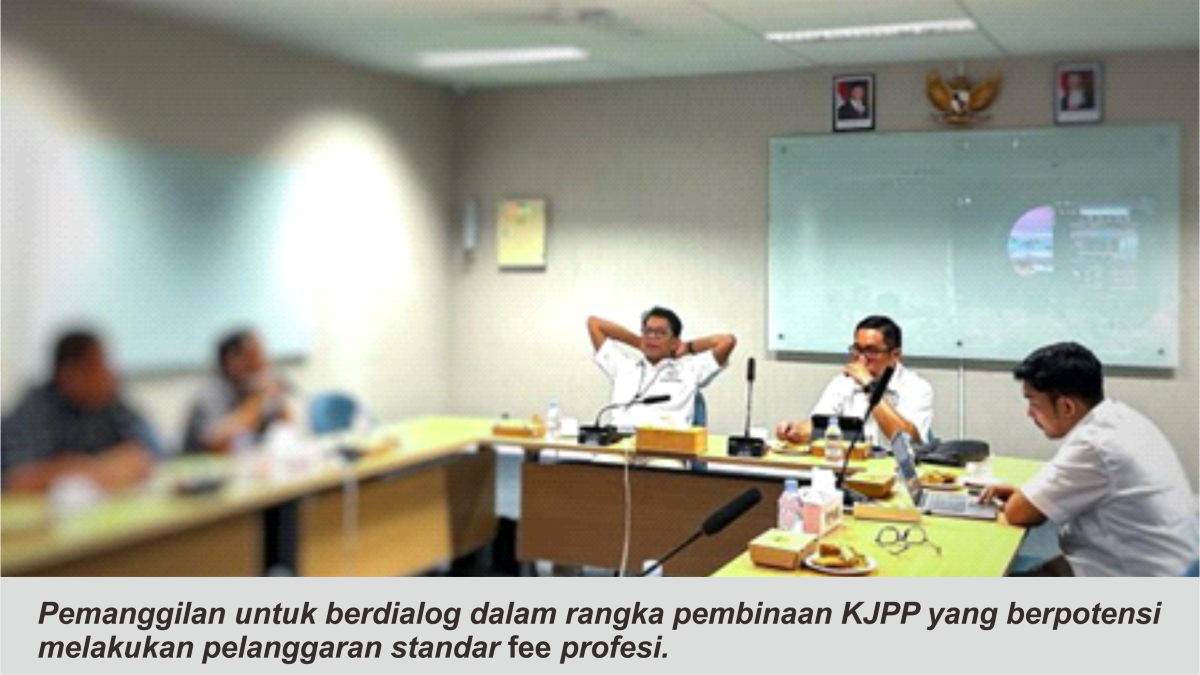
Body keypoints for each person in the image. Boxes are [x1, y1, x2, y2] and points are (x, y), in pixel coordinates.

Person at [980, 342, 1199, 576]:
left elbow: (1018, 514)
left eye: (1033, 403)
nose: (1029, 413)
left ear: (1066, 407)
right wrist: (1026, 495)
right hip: (1173, 567)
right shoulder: (1120, 418)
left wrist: (1024, 500)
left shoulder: (1094, 445)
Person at [0, 331, 159, 492]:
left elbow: (154, 450)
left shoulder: (110, 403)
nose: (108, 373)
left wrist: (121, 463)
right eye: (98, 365)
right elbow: (16, 479)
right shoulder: (36, 408)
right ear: (71, 374)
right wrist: (88, 469)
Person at [775, 315, 933, 447]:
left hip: (894, 469)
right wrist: (795, 430)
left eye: (871, 352)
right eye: (857, 350)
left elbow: (908, 440)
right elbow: (820, 426)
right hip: (848, 464)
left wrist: (869, 384)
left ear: (895, 355)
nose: (861, 360)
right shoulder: (842, 383)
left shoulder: (917, 387)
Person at [587, 308, 736, 428]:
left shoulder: (689, 370)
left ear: (674, 342)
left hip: (666, 448)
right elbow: (594, 323)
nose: (652, 337)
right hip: (621, 445)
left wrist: (688, 347)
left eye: (660, 333)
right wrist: (639, 343)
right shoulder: (623, 367)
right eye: (648, 331)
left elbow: (727, 342)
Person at [182, 329, 296, 453]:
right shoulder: (209, 394)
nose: (262, 363)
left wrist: (278, 400)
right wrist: (256, 399)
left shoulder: (254, 389)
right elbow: (215, 443)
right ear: (230, 361)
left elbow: (286, 432)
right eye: (253, 357)